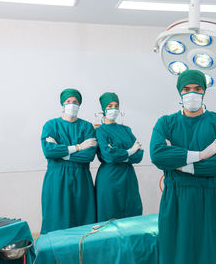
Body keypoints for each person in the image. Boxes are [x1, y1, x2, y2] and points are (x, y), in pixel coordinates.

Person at [150, 70, 216, 264]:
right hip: (176, 201)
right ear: (179, 92)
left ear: (204, 91)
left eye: (197, 89)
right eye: (186, 89)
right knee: (177, 255)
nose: (192, 93)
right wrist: (201, 155)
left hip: (211, 198)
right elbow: (157, 155)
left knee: (212, 254)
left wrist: (179, 165)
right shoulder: (166, 123)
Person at [40, 88, 97, 234]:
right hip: (57, 179)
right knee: (56, 220)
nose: (72, 104)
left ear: (80, 105)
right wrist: (79, 147)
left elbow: (88, 156)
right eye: (68, 102)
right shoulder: (51, 125)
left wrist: (61, 153)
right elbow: (49, 151)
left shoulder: (87, 127)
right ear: (62, 104)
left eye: (75, 102)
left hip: (81, 178)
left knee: (82, 220)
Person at [95, 92, 143, 222]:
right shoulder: (100, 131)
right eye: (110, 106)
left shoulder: (126, 129)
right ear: (104, 109)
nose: (114, 109)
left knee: (132, 214)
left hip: (128, 177)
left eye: (116, 105)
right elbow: (108, 155)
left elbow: (139, 155)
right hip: (109, 178)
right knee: (109, 215)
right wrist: (130, 151)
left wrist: (120, 153)